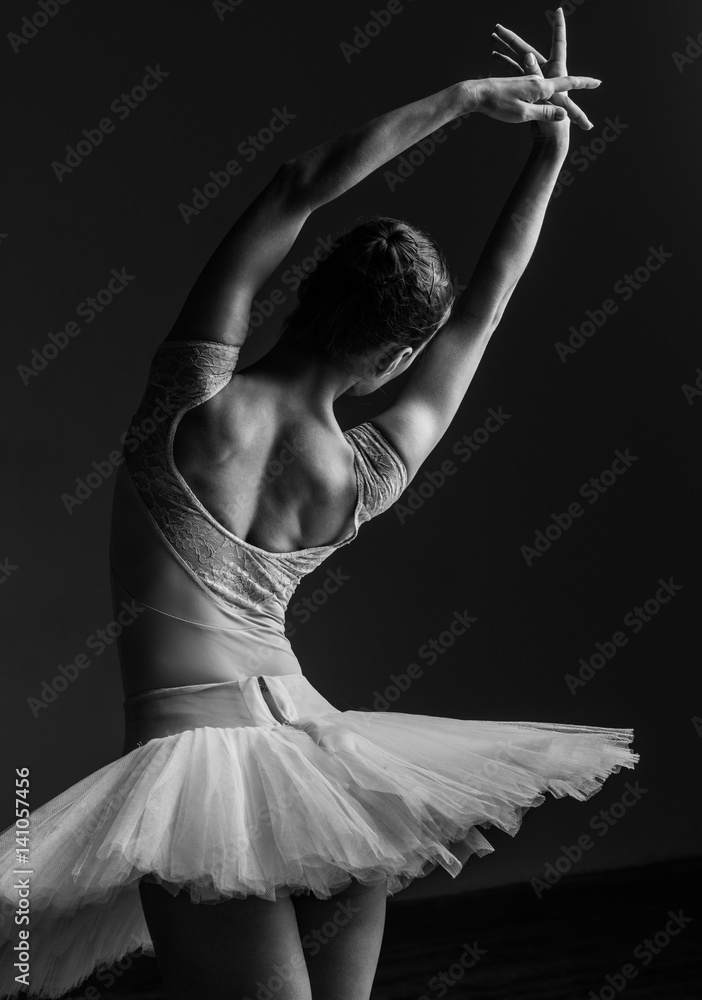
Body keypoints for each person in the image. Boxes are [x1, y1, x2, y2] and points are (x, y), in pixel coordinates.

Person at [0, 11, 637, 1000]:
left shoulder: (189, 404)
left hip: (193, 783)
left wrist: (464, 100)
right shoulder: (366, 471)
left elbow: (295, 184)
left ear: (303, 293)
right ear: (398, 355)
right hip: (324, 769)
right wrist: (546, 157)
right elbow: (487, 306)